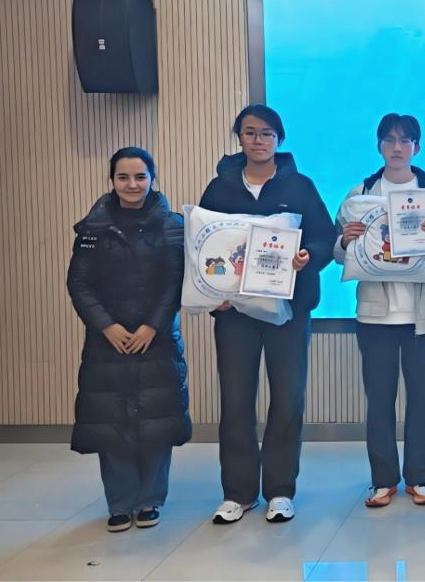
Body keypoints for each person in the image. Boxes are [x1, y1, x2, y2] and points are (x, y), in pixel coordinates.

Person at [198, 104, 336, 524]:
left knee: (288, 399)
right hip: (234, 313)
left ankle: (279, 490)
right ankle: (238, 493)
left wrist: (307, 257)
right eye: (250, 132)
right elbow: (201, 245)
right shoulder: (219, 189)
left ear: (279, 139)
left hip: (288, 311)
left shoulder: (300, 186)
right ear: (239, 137)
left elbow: (325, 238)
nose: (258, 140)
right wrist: (212, 292)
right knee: (236, 400)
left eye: (266, 133)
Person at [332, 114, 425, 508]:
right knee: (379, 400)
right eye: (389, 140)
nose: (397, 147)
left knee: (421, 400)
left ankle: (419, 479)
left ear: (416, 147)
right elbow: (337, 253)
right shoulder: (359, 194)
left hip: (423, 315)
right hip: (375, 315)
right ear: (379, 145)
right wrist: (345, 241)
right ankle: (382, 480)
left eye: (405, 140)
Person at [67, 147, 190, 532]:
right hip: (108, 341)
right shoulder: (93, 227)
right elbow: (79, 283)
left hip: (158, 339)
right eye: (123, 177)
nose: (132, 184)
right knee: (111, 422)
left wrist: (153, 326)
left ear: (152, 178)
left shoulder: (173, 225)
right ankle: (120, 503)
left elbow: (177, 281)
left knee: (157, 421)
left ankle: (150, 499)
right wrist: (107, 326)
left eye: (140, 177)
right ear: (113, 180)